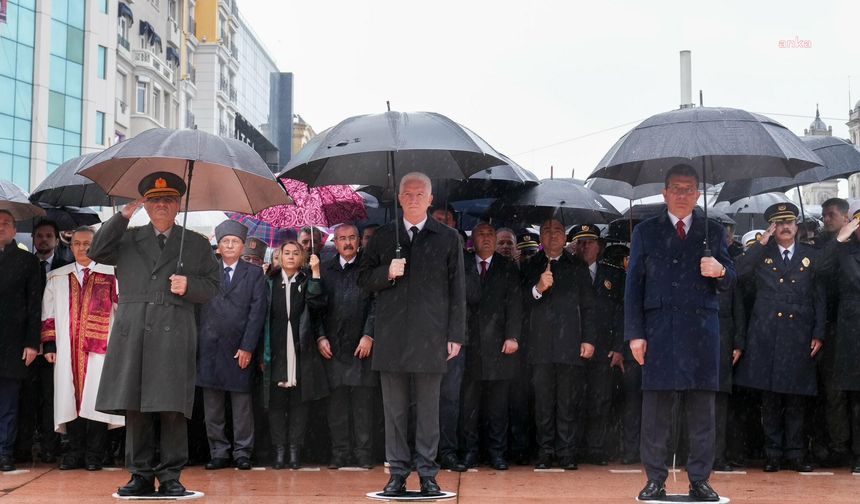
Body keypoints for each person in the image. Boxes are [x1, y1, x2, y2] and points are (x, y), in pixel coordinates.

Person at [89, 172, 220, 497]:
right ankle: (140, 475)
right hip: (134, 330)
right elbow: (96, 250)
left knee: (172, 406)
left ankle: (172, 476)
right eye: (155, 200)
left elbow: (214, 286)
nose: (162, 205)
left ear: (178, 205)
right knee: (137, 406)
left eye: (169, 200)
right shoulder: (127, 237)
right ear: (146, 204)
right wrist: (123, 214)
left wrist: (190, 285)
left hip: (174, 330)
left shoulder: (196, 243)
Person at [625, 164, 735, 502]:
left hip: (701, 329)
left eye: (689, 189)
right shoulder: (646, 231)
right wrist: (635, 334)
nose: (683, 195)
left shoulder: (712, 231)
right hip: (659, 330)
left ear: (699, 194)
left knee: (702, 410)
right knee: (656, 409)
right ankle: (655, 479)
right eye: (677, 188)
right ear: (665, 193)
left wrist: (720, 271)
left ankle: (699, 479)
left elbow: (732, 278)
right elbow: (634, 287)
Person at [358, 172, 466, 497]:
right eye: (408, 193)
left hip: (431, 335)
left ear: (431, 199)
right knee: (394, 409)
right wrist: (386, 272)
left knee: (429, 410)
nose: (415, 198)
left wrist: (455, 334)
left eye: (421, 194)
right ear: (400, 198)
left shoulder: (448, 238)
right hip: (391, 336)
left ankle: (429, 473)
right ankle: (397, 472)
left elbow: (457, 289)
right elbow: (363, 279)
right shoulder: (382, 238)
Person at [735, 202, 826, 473]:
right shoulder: (761, 254)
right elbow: (738, 272)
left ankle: (796, 453)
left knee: (796, 398)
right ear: (771, 228)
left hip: (799, 334)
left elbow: (818, 296)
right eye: (779, 223)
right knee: (771, 399)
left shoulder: (811, 255)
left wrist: (819, 332)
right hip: (768, 334)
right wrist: (761, 243)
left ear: (797, 226)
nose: (785, 227)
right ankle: (773, 454)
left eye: (789, 222)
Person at [40, 226, 124, 471]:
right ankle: (74, 452)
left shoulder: (111, 275)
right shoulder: (58, 276)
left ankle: (95, 454)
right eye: (77, 243)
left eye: (88, 243)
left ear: (97, 245)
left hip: (101, 349)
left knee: (95, 401)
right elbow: (48, 314)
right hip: (67, 349)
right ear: (70, 245)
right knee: (70, 398)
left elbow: (122, 312)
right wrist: (50, 344)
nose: (82, 248)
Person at [521, 219, 597, 470]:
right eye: (546, 231)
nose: (552, 235)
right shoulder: (530, 265)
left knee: (567, 400)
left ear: (565, 237)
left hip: (569, 342)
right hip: (540, 344)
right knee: (543, 401)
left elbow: (588, 306)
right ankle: (545, 451)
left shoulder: (577, 266)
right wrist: (538, 288)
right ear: (540, 237)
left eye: (557, 231)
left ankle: (566, 451)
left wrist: (588, 338)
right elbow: (521, 302)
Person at [197, 221, 267, 471]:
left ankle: (242, 452)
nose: (229, 245)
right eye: (225, 241)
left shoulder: (254, 273)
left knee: (242, 405)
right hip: (209, 347)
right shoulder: (206, 271)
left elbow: (257, 313)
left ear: (242, 245)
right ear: (218, 246)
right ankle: (218, 451)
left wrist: (248, 346)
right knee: (213, 406)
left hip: (239, 347)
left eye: (234, 242)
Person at [261, 241, 328, 470]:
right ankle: (279, 450)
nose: (290, 257)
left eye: (295, 253)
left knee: (299, 403)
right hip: (276, 347)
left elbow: (318, 305)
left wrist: (316, 272)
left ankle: (294, 451)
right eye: (286, 253)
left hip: (302, 347)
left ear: (303, 257)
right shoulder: (269, 281)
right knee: (277, 403)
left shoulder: (306, 280)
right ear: (279, 256)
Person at [460, 222, 521, 470]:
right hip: (469, 343)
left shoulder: (508, 267)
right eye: (481, 234)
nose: (486, 238)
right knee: (469, 405)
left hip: (499, 344)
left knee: (497, 405)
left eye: (490, 234)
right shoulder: (463, 265)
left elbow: (515, 304)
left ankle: (497, 452)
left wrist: (513, 336)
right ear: (472, 239)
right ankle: (470, 452)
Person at [316, 224, 377, 469]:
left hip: (361, 345)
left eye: (352, 237)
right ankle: (339, 453)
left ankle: (363, 454)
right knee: (336, 406)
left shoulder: (368, 268)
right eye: (342, 239)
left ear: (360, 240)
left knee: (363, 406)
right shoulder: (324, 269)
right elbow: (316, 307)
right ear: (335, 242)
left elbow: (376, 304)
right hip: (333, 346)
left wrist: (369, 335)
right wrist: (320, 337)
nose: (348, 243)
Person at [570, 224, 625, 466]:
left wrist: (619, 346)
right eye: (580, 242)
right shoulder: (567, 271)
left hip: (604, 347)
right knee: (573, 399)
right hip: (572, 346)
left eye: (590, 242)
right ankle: (574, 447)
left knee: (600, 399)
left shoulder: (614, 275)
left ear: (600, 247)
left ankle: (596, 448)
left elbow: (622, 311)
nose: (585, 246)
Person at [17, 219, 70, 464]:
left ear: (57, 239)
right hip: (26, 341)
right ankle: (24, 448)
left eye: (49, 236)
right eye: (39, 236)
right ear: (33, 239)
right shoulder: (24, 265)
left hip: (55, 343)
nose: (44, 240)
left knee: (51, 397)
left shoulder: (66, 267)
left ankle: (51, 447)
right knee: (26, 398)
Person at [0, 210, 42, 472]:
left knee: (8, 402)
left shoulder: (28, 262)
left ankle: (4, 451)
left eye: (6, 224)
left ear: (15, 230)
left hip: (14, 343)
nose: (1, 228)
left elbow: (34, 305)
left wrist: (32, 343)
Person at [822, 202, 860, 473]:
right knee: (854, 396)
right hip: (851, 331)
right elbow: (820, 267)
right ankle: (856, 454)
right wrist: (839, 239)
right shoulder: (845, 250)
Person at [814, 197, 852, 467]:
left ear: (845, 217)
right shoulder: (823, 245)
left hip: (851, 323)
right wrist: (836, 243)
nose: (826, 219)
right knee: (833, 391)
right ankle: (837, 445)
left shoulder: (855, 243)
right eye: (824, 215)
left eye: (831, 215)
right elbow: (820, 269)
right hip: (830, 325)